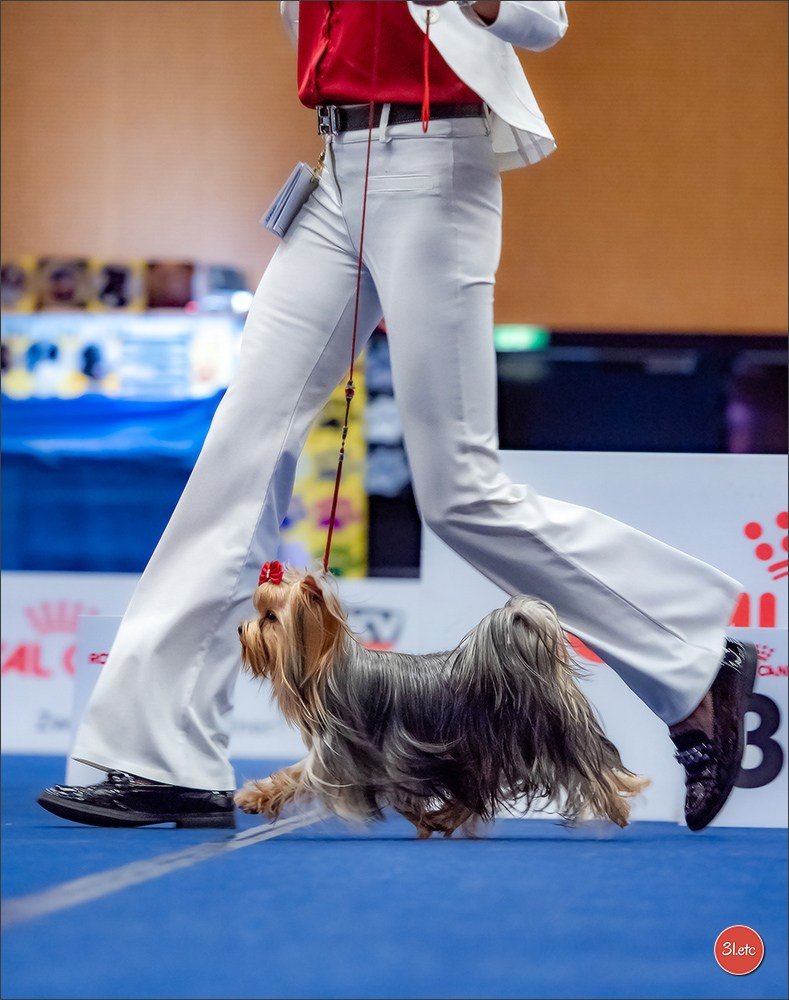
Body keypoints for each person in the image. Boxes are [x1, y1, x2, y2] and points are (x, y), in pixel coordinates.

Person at [38, 0, 755, 832]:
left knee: (458, 491)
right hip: (334, 166)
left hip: (433, 157)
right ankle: (160, 760)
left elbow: (540, 17)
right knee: (232, 456)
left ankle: (688, 653)